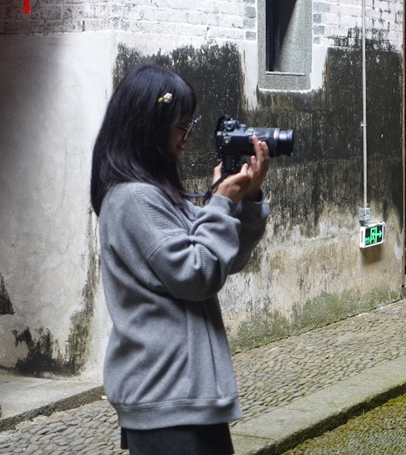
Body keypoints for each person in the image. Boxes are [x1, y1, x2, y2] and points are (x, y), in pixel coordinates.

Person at [90, 63, 270, 455]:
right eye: (180, 126)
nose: (186, 137)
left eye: (190, 125)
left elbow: (222, 259)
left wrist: (248, 198)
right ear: (149, 126)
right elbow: (197, 274)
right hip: (167, 397)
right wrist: (220, 203)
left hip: (183, 396)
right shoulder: (134, 198)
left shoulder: (157, 194)